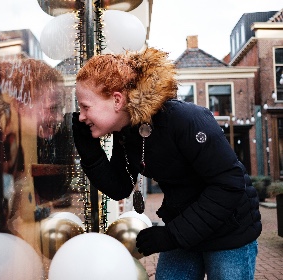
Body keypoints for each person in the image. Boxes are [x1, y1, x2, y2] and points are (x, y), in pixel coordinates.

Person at [72, 48, 262, 280]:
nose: (80, 116)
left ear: (117, 100)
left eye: (85, 106)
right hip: (184, 228)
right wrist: (90, 152)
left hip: (229, 230)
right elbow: (119, 186)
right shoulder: (127, 132)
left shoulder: (187, 119)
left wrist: (171, 236)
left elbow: (228, 184)